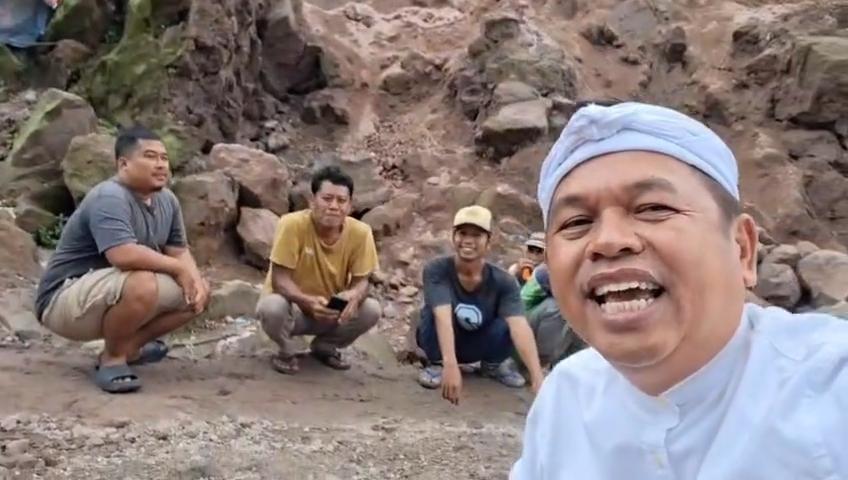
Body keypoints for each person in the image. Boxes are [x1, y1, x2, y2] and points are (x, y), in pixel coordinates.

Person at [511, 101, 848, 478]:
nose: (608, 240)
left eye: (654, 208)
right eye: (576, 222)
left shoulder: (831, 382)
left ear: (742, 249)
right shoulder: (565, 398)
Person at [34, 125, 210, 394]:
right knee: (142, 282)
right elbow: (123, 255)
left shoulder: (167, 201)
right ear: (124, 164)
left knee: (197, 291)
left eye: (164, 158)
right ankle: (112, 360)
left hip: (110, 293)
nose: (161, 165)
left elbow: (179, 250)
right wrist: (177, 269)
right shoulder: (110, 196)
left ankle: (129, 347)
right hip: (63, 299)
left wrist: (193, 280)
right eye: (150, 157)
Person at [256, 165, 381, 375]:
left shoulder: (361, 233)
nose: (334, 206)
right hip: (294, 310)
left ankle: (325, 347)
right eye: (327, 198)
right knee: (272, 306)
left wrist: (353, 296)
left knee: (371, 309)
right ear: (313, 200)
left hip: (331, 310)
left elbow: (363, 281)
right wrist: (308, 301)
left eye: (341, 201)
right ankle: (286, 350)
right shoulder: (292, 225)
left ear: (350, 206)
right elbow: (280, 280)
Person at [416, 205, 544, 404]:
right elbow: (442, 317)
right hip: (443, 342)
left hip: (480, 341)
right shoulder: (437, 269)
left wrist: (538, 378)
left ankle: (493, 365)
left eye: (477, 235)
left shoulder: (503, 281)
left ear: (488, 242)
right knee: (434, 312)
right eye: (462, 233)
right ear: (453, 237)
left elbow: (519, 326)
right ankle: (437, 364)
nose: (468, 240)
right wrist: (451, 365)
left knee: (512, 316)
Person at [514, 263, 586, 371]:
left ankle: (567, 365)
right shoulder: (550, 271)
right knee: (561, 308)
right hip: (519, 326)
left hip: (532, 321)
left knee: (581, 316)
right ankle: (540, 365)